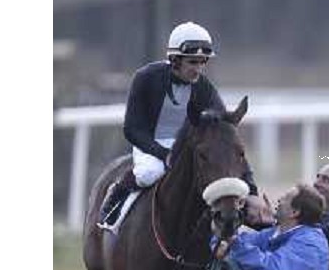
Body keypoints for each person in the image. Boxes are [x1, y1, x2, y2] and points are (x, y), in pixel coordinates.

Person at [98, 21, 257, 226]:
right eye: (193, 62)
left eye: (203, 62)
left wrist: (251, 188)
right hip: (150, 143)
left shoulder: (203, 87)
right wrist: (164, 154)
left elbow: (226, 134)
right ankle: (120, 191)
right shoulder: (146, 78)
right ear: (175, 60)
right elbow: (132, 129)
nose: (198, 69)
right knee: (149, 173)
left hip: (186, 145)